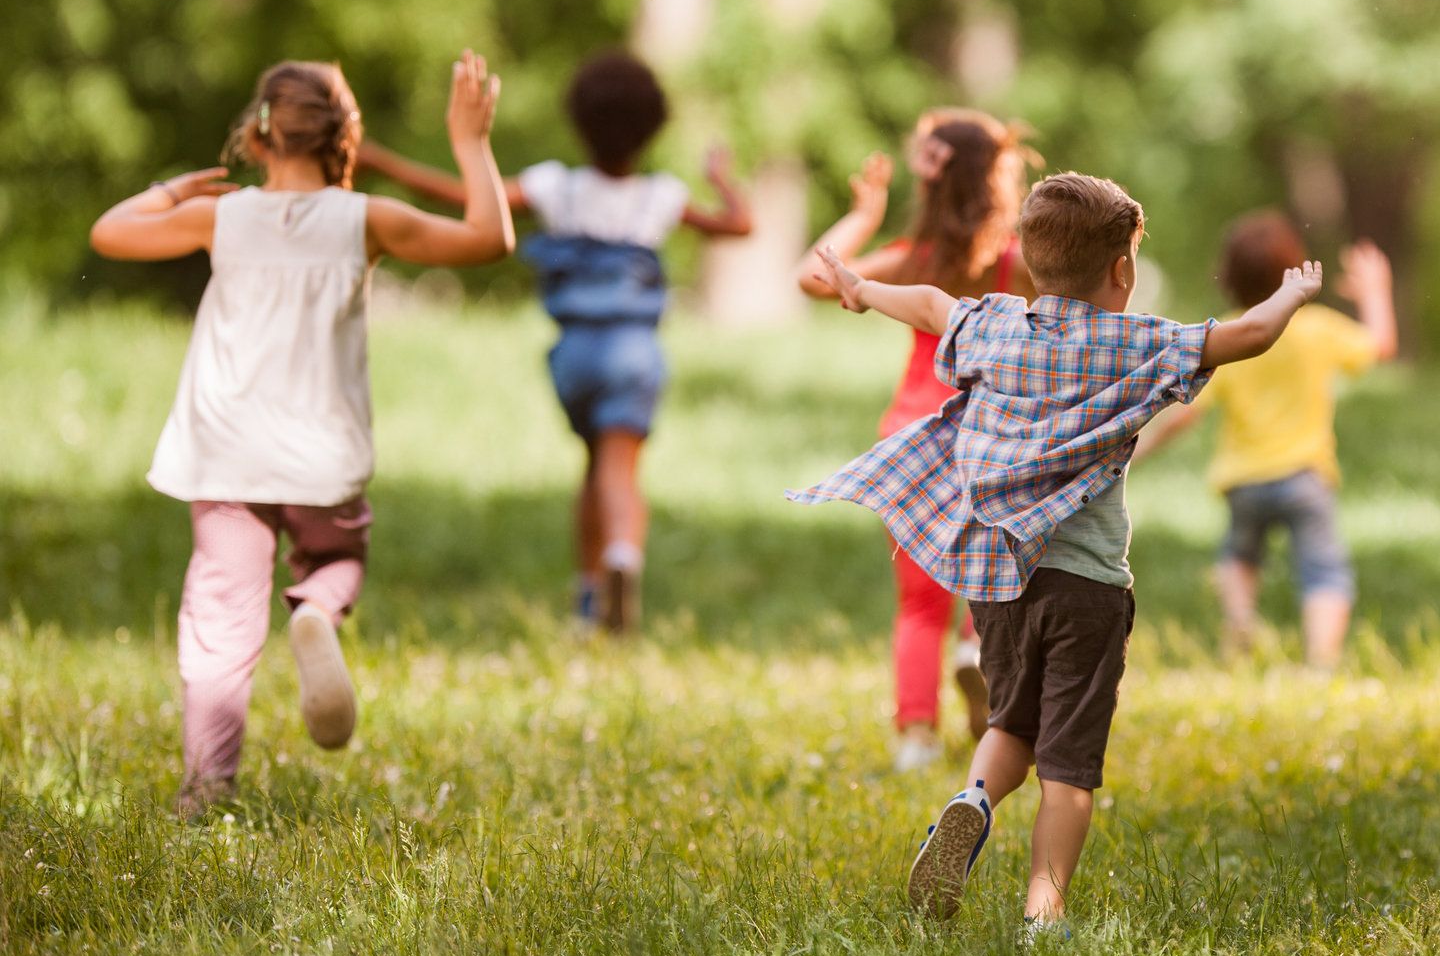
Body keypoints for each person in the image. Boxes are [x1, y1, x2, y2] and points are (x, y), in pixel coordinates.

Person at [791, 172, 1322, 929]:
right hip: (1088, 591)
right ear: (1123, 270)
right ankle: (1045, 912)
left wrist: (861, 288)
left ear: (1033, 262)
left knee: (1012, 726)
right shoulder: (1137, 343)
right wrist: (1290, 295)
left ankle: (971, 798)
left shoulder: (995, 325)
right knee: (1067, 766)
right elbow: (1248, 335)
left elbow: (929, 304)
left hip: (1001, 582)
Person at [88, 52, 514, 817]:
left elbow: (111, 234)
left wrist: (173, 188)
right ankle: (316, 609)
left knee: (220, 617)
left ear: (258, 137)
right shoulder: (367, 220)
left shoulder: (222, 215)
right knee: (337, 555)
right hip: (322, 457)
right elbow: (488, 240)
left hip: (225, 455)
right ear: (343, 138)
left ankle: (208, 785)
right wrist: (469, 142)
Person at [360, 50, 753, 634]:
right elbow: (739, 226)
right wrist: (722, 176)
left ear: (580, 121)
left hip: (574, 356)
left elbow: (455, 195)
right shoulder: (662, 197)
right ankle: (622, 554)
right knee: (620, 469)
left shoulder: (555, 187)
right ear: (651, 128)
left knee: (594, 465)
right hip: (635, 353)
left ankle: (588, 598)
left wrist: (376, 158)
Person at [796, 110, 1036, 771]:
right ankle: (975, 651)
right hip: (990, 436)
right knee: (994, 579)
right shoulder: (1016, 265)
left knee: (918, 601)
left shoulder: (912, 260)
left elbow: (813, 277)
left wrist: (863, 215)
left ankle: (915, 737)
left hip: (910, 434)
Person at [1137, 212, 1396, 669]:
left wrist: (1141, 446)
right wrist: (1376, 292)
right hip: (1304, 475)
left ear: (1230, 277)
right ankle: (1320, 661)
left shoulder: (1232, 334)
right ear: (1293, 270)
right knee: (1323, 570)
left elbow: (1188, 413)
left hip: (1244, 480)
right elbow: (1380, 345)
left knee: (1239, 557)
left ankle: (1240, 624)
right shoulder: (1316, 328)